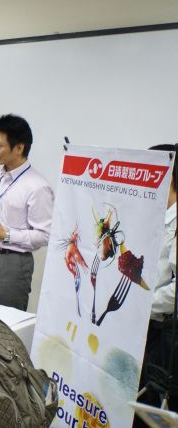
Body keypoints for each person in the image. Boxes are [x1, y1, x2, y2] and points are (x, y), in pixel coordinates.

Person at [0, 114, 53, 310]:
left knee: (7, 323)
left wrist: (6, 235)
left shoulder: (37, 186)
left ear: (19, 148)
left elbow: (45, 234)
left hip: (12, 263)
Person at [137, 143, 178, 422]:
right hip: (143, 324)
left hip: (161, 329)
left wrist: (142, 305)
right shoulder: (156, 211)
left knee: (149, 402)